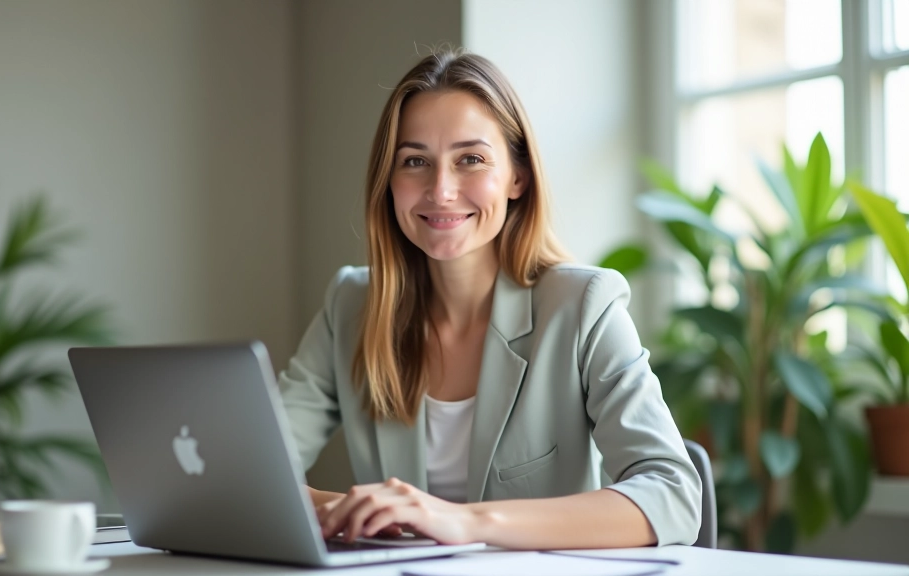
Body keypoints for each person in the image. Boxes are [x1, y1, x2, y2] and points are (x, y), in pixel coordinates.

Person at [278, 47, 701, 550]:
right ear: (388, 182)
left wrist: (467, 522)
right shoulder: (352, 304)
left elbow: (673, 494)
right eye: (415, 161)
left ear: (517, 176)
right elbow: (248, 471)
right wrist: (347, 509)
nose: (441, 190)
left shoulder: (585, 305)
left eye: (471, 160)